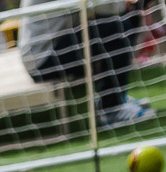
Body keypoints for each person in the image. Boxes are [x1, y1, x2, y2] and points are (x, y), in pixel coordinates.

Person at [20, 2, 152, 129]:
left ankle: (116, 98)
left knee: (125, 19)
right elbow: (104, 6)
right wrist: (125, 3)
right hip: (43, 58)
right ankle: (112, 110)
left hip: (54, 47)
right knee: (115, 28)